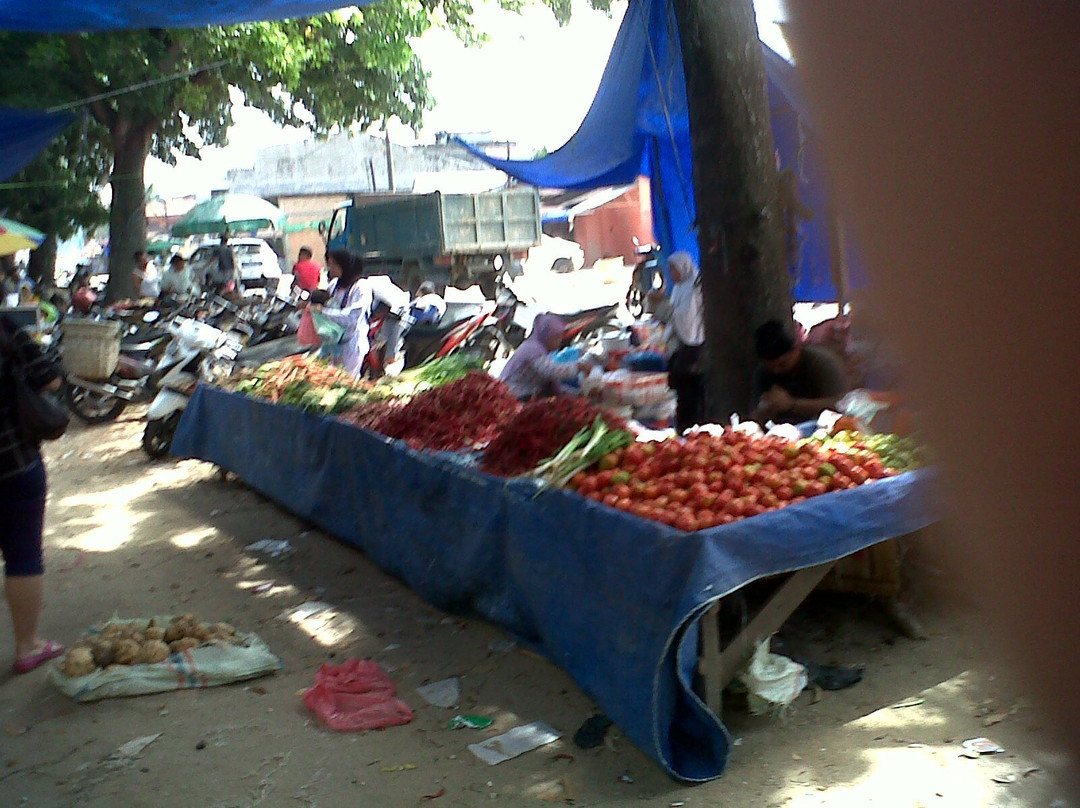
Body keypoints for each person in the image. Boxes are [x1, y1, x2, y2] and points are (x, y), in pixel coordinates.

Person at [0, 313, 65, 673]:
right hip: (14, 463)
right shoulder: (6, 330)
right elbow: (51, 378)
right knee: (23, 557)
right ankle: (27, 646)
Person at [751, 319, 849, 424]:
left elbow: (843, 404)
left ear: (796, 349)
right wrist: (764, 410)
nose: (776, 370)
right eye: (771, 367)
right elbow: (754, 415)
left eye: (782, 364)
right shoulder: (762, 372)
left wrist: (792, 404)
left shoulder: (822, 363)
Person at [499, 313, 589, 400]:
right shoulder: (532, 349)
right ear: (547, 336)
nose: (560, 342)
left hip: (527, 392)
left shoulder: (541, 350)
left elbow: (553, 384)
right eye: (556, 338)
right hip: (512, 394)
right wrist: (578, 367)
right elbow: (550, 372)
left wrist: (578, 394)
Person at [313, 249, 374, 377]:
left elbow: (352, 317)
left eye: (334, 265)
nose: (330, 268)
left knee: (346, 380)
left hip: (352, 344)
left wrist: (323, 312)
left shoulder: (361, 287)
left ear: (344, 265)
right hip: (334, 343)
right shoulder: (334, 285)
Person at [663, 251, 705, 432]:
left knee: (690, 393)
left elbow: (687, 319)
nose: (671, 273)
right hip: (680, 349)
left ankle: (692, 426)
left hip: (693, 349)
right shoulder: (679, 288)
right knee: (680, 392)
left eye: (674, 269)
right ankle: (683, 426)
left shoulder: (693, 288)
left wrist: (665, 308)